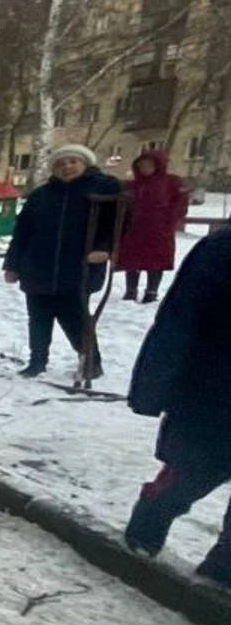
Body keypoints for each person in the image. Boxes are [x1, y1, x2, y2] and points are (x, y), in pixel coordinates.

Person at [124, 225, 231, 585]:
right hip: (214, 390)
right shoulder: (221, 249)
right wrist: (153, 386)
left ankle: (221, 573)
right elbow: (179, 319)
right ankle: (149, 521)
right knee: (192, 472)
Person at [1, 144, 123, 379]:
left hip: (78, 267)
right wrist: (12, 264)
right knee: (38, 317)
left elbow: (118, 222)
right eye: (60, 163)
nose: (67, 167)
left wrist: (105, 248)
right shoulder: (41, 195)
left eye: (73, 162)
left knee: (75, 317)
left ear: (85, 164)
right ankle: (37, 362)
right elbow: (23, 232)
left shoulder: (102, 189)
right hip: (37, 267)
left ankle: (91, 362)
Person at [119, 147, 189, 304]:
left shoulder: (171, 182)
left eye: (149, 165)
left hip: (159, 229)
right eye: (141, 165)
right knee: (132, 259)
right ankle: (131, 290)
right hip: (134, 228)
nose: (145, 168)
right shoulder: (132, 185)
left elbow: (180, 203)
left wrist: (169, 221)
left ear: (158, 165)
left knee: (156, 260)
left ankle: (152, 291)